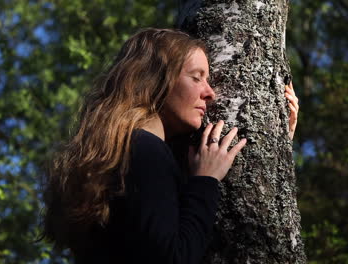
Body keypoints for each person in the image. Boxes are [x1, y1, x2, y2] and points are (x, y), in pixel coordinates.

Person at [41, 28, 299, 264]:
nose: (210, 93)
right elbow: (173, 257)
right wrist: (205, 180)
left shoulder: (124, 151)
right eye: (197, 78)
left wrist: (277, 142)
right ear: (155, 81)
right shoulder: (145, 151)